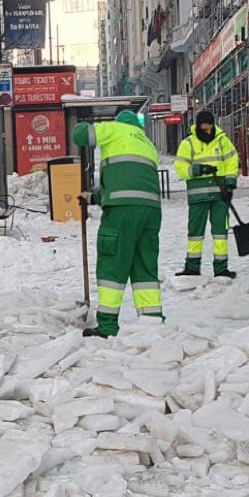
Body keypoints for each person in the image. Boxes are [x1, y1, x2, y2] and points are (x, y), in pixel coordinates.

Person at [72, 110, 163, 338]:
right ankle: (151, 323)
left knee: (113, 264)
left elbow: (80, 134)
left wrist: (83, 122)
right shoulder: (147, 143)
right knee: (145, 266)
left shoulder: (114, 129)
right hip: (151, 211)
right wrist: (93, 197)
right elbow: (127, 184)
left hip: (122, 213)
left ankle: (107, 326)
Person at [174, 110, 240, 278]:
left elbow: (232, 161)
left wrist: (231, 183)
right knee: (195, 233)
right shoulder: (188, 144)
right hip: (198, 197)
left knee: (220, 232)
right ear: (198, 127)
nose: (208, 131)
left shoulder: (222, 141)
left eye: (209, 128)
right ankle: (192, 267)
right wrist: (198, 169)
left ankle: (221, 268)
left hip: (220, 195)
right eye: (204, 129)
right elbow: (180, 169)